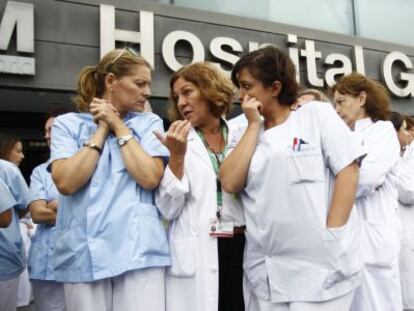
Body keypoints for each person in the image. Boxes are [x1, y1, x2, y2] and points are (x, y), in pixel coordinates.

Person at [220, 46, 363, 310]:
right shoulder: (246, 131)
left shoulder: (314, 115)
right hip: (267, 271)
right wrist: (253, 125)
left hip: (319, 267)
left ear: (275, 87)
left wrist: (334, 235)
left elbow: (349, 170)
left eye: (247, 86)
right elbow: (229, 182)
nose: (241, 96)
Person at [49, 48, 170, 311]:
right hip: (83, 253)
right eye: (140, 83)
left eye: (148, 84)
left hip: (138, 252)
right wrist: (102, 128)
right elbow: (67, 183)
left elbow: (149, 177)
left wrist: (117, 124)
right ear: (111, 81)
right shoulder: (67, 125)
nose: (147, 92)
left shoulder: (150, 123)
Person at [154, 62, 246, 311]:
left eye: (187, 92)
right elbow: (167, 208)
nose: (181, 102)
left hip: (241, 245)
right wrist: (177, 156)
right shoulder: (177, 140)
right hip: (200, 247)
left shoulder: (242, 132)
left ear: (210, 89)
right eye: (177, 97)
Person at [332, 73, 403, 311]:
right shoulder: (341, 136)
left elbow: (366, 178)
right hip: (347, 236)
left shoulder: (381, 132)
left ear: (361, 99)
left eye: (341, 102)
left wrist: (336, 180)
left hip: (373, 236)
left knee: (377, 302)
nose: (337, 109)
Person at [28, 109, 70, 311]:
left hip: (76, 261)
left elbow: (95, 210)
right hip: (45, 265)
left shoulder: (90, 165)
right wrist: (73, 207)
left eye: (52, 129)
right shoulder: (40, 172)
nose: (46, 135)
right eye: (45, 130)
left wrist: (53, 204)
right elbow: (37, 213)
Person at [0, 134, 34, 308]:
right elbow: (24, 206)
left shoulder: (7, 170)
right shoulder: (8, 169)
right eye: (18, 151)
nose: (22, 156)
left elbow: (17, 210)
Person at [390, 111, 414, 311]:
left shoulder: (403, 156)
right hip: (396, 234)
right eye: (404, 129)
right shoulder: (391, 158)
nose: (408, 134)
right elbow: (408, 189)